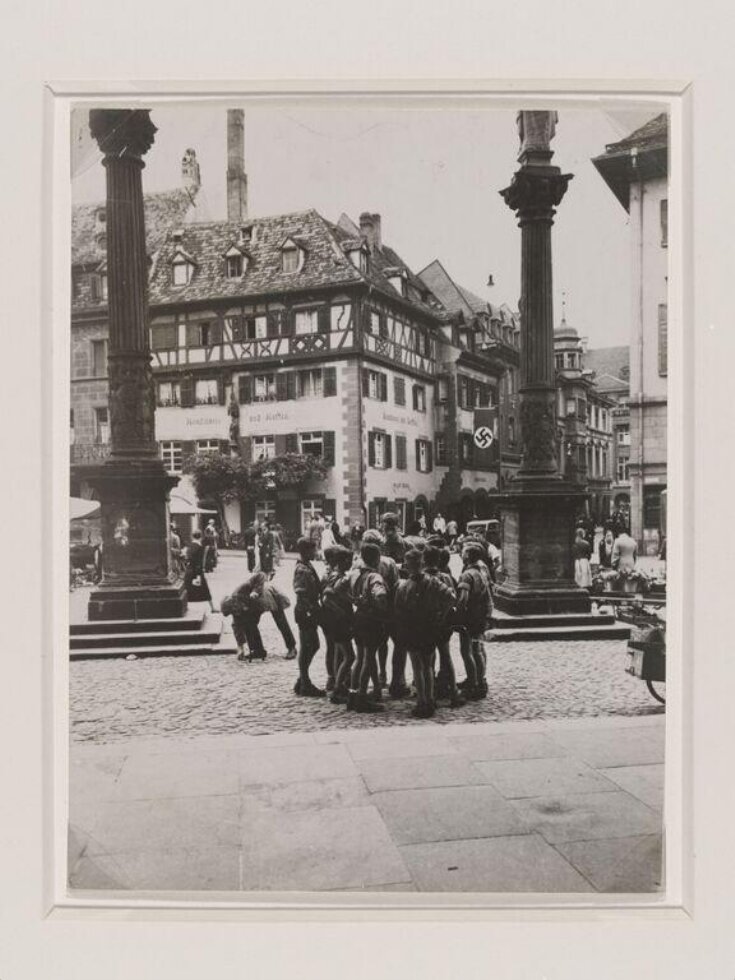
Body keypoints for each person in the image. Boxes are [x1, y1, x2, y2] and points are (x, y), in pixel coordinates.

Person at [395, 548, 456, 718]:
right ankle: (430, 699)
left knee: (417, 666)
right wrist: (441, 614)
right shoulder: (434, 582)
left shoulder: (403, 586)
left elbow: (398, 611)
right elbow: (451, 598)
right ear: (421, 563)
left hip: (412, 628)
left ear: (407, 566)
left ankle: (421, 701)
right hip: (430, 626)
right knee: (429, 665)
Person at [348, 542, 390, 713]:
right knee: (369, 657)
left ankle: (352, 694)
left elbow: (346, 591)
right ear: (377, 558)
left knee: (360, 657)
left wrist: (357, 600)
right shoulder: (375, 577)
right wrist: (382, 607)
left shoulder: (355, 574)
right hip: (371, 619)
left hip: (358, 618)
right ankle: (362, 697)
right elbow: (380, 594)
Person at [424, 545, 465, 708]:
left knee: (428, 658)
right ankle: (454, 691)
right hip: (444, 622)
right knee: (446, 656)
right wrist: (444, 613)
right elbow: (453, 598)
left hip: (427, 622)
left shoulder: (423, 577)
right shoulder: (446, 577)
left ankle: (430, 693)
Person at [362, 529, 402, 694]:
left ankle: (379, 679)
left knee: (373, 647)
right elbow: (397, 586)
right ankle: (393, 679)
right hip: (390, 609)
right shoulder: (389, 562)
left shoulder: (359, 563)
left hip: (370, 612)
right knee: (395, 644)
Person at [455, 542, 493, 700]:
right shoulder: (481, 572)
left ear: (469, 556)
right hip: (481, 615)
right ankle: (480, 680)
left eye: (464, 552)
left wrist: (458, 611)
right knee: (479, 648)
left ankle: (473, 682)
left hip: (470, 616)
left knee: (467, 650)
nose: (461, 554)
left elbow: (463, 598)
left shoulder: (467, 575)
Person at [320, 545, 356, 704]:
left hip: (334, 621)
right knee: (350, 656)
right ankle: (338, 688)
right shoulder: (340, 578)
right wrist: (340, 611)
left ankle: (337, 685)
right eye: (350, 559)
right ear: (344, 561)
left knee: (338, 653)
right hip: (340, 621)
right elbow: (328, 597)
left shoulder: (333, 575)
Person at [292, 537, 325, 697]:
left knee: (312, 645)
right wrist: (310, 609)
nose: (316, 552)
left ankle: (302, 680)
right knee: (307, 646)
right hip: (305, 611)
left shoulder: (307, 565)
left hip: (309, 609)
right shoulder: (302, 569)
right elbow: (300, 590)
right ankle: (305, 683)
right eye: (313, 549)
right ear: (306, 551)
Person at [183, 530, 217, 613]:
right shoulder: (200, 547)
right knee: (205, 590)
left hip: (189, 570)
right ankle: (212, 608)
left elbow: (187, 558)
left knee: (187, 590)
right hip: (197, 570)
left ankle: (184, 607)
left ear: (192, 536)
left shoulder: (189, 546)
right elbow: (199, 562)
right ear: (201, 537)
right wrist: (198, 575)